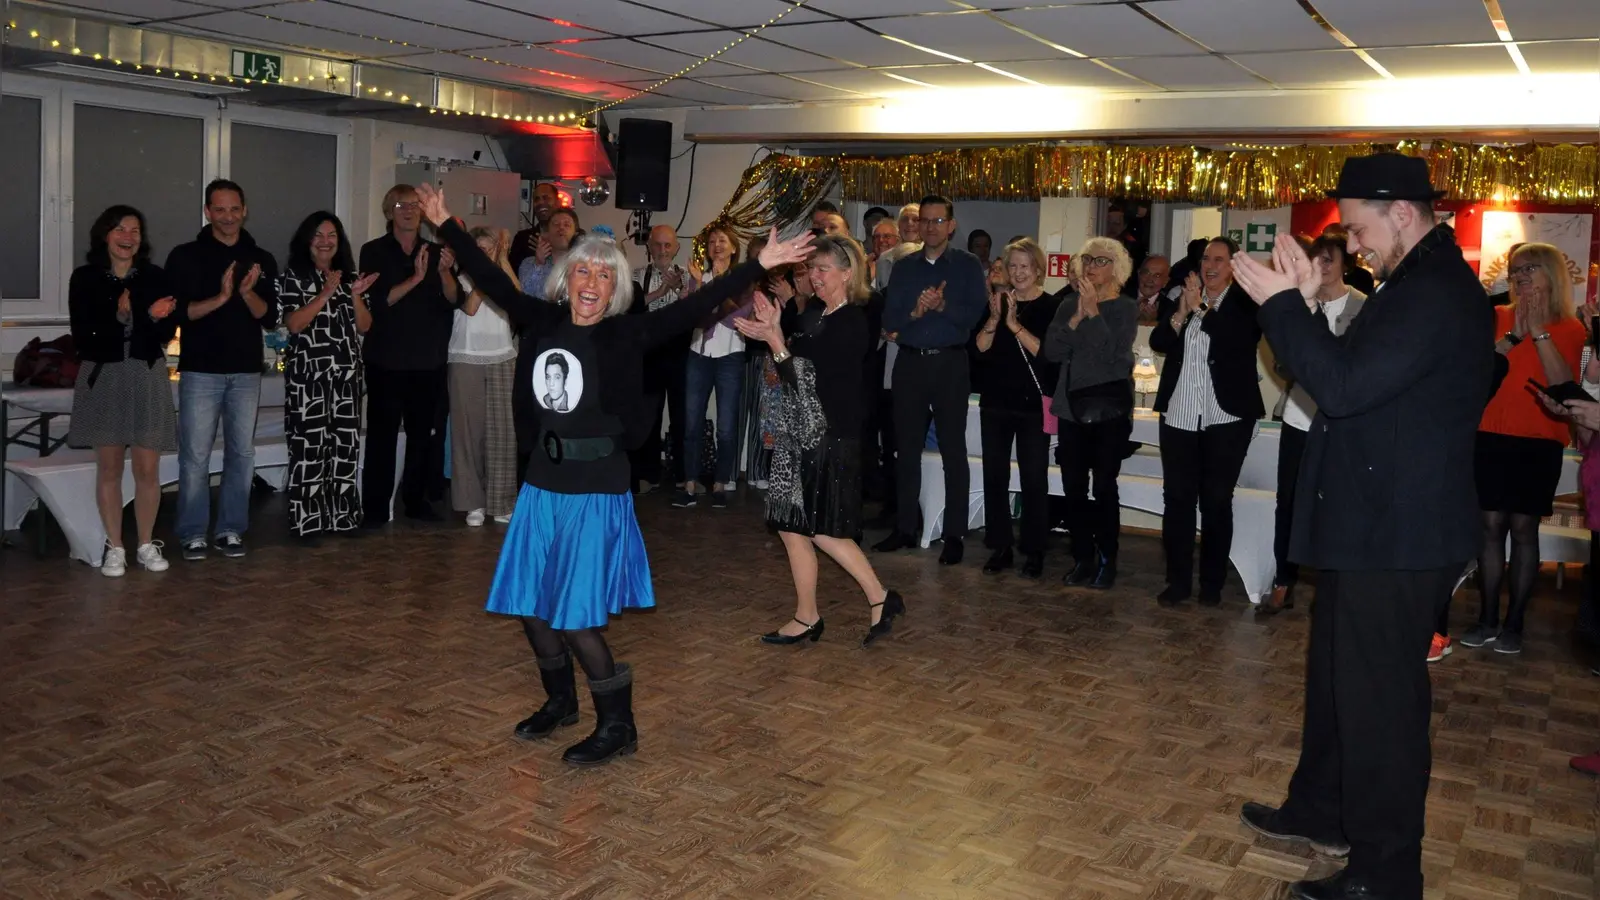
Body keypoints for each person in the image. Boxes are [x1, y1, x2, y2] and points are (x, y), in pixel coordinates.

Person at [416, 183, 814, 766]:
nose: (592, 284)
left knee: (576, 619)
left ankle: (618, 723)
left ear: (615, 288)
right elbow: (492, 279)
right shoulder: (541, 319)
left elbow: (694, 309)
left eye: (604, 277)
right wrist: (447, 222)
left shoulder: (628, 332)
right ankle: (561, 702)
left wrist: (759, 264)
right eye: (584, 274)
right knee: (529, 606)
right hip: (542, 487)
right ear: (567, 280)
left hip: (595, 491)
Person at [1232, 153, 1493, 900]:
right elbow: (1353, 369)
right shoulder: (1413, 284)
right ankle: (1323, 809)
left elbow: (1341, 391)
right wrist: (1309, 305)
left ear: (1402, 213)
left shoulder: (1437, 293)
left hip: (1399, 535)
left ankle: (1385, 874)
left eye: (1358, 227)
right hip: (1373, 525)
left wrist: (1282, 305)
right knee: (1339, 684)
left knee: (1381, 707)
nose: (1354, 244)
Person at [738, 236, 907, 647]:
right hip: (797, 432)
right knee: (791, 528)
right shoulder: (814, 313)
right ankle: (807, 616)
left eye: (823, 269)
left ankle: (881, 597)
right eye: (811, 269)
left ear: (848, 273)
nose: (813, 276)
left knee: (821, 529)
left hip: (829, 433)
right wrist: (774, 330)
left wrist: (776, 341)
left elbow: (806, 379)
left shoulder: (852, 320)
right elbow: (789, 367)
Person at [1456, 242, 1584, 656]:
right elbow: (1478, 371)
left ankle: (1515, 623)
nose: (1521, 277)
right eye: (1515, 271)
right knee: (1489, 526)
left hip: (1539, 439)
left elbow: (1562, 383)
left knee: (1524, 529)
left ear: (1552, 274)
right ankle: (1487, 617)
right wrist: (1514, 335)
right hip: (1488, 435)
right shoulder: (1496, 317)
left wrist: (1539, 332)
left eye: (1530, 269)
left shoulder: (1572, 327)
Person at [164, 179, 278, 561]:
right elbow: (182, 314)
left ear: (244, 210)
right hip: (200, 371)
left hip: (246, 371)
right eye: (220, 209)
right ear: (207, 212)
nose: (228, 217)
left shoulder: (261, 258)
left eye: (234, 209)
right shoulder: (186, 256)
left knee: (241, 454)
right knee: (194, 456)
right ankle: (193, 532)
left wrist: (246, 293)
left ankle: (231, 529)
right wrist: (223, 297)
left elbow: (270, 317)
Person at [67, 205, 180, 576]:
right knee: (110, 467)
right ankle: (115, 546)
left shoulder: (155, 277)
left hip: (146, 375)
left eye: (134, 230)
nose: (127, 237)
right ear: (105, 234)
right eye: (120, 229)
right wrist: (119, 316)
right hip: (104, 377)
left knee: (148, 468)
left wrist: (149, 317)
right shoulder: (85, 278)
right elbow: (85, 338)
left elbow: (164, 336)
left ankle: (146, 543)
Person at [1149, 237, 1262, 606]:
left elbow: (1237, 342)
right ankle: (1177, 581)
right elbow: (1160, 340)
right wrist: (1183, 309)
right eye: (1205, 259)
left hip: (1226, 416)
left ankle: (1211, 584)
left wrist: (1202, 310)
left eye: (1218, 259)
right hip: (1180, 414)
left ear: (1233, 266)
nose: (1209, 265)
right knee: (1177, 500)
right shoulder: (1187, 297)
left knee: (1215, 500)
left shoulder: (1247, 302)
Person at [876, 195, 988, 564]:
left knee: (952, 450)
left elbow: (973, 318)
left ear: (951, 226)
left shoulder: (968, 266)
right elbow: (891, 321)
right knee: (904, 450)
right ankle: (906, 527)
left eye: (938, 221)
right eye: (925, 221)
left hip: (950, 364)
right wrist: (917, 310)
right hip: (909, 363)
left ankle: (954, 533)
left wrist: (942, 307)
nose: (931, 227)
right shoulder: (904, 267)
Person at [1262, 234, 1367, 615]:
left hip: (1341, 425)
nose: (1320, 268)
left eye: (1328, 260)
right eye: (1314, 261)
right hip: (1298, 416)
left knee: (1336, 506)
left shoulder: (1363, 307)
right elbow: (1280, 363)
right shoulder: (1295, 305)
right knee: (1287, 502)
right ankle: (1283, 581)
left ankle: (1333, 589)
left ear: (1344, 265)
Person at [359, 184, 460, 526]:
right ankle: (374, 507)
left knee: (423, 438)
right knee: (381, 437)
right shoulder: (373, 251)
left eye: (416, 205)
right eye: (401, 204)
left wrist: (444, 272)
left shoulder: (436, 252)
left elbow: (453, 299)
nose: (409, 210)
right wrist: (417, 277)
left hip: (427, 362)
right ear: (389, 211)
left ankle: (415, 502)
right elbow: (381, 301)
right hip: (385, 361)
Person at [277, 212, 376, 542]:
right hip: (308, 378)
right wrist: (323, 293)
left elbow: (364, 326)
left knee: (345, 449)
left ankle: (345, 519)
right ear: (307, 240)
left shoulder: (350, 279)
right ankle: (308, 523)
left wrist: (355, 293)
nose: (325, 241)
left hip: (346, 377)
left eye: (331, 235)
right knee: (309, 451)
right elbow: (293, 324)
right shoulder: (292, 278)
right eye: (318, 235)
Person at [1046, 237, 1138, 589]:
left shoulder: (1125, 308)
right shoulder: (1067, 303)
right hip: (1071, 409)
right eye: (1087, 259)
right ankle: (1082, 557)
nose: (1091, 266)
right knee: (1072, 488)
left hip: (1108, 411)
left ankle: (1107, 559)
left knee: (1103, 487)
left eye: (1100, 260)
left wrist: (1094, 314)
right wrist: (1076, 318)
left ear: (1117, 268)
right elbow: (1053, 352)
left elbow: (1112, 356)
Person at [974, 238, 1062, 579]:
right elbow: (979, 350)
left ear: (1038, 270)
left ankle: (1034, 549)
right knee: (994, 476)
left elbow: (1048, 353)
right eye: (1013, 266)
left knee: (1033, 478)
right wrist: (996, 320)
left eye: (1025, 266)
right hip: (995, 401)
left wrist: (1014, 326)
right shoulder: (998, 301)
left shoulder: (1051, 306)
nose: (1018, 272)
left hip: (1032, 406)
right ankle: (1000, 545)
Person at [449, 227, 520, 526]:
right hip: (465, 357)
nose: (484, 251)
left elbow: (519, 299)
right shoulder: (460, 277)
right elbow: (471, 307)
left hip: (503, 356)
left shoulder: (502, 277)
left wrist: (500, 262)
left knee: (504, 434)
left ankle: (502, 502)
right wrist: (485, 272)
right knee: (468, 433)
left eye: (489, 247)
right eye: (477, 247)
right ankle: (472, 503)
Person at [675, 224, 746, 509]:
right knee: (691, 423)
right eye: (712, 241)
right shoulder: (696, 277)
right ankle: (690, 484)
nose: (716, 245)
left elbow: (733, 319)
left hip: (731, 355)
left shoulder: (743, 280)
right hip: (698, 354)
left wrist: (711, 289)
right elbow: (695, 318)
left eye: (722, 240)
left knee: (726, 427)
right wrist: (699, 288)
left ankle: (720, 484)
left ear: (733, 248)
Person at [630, 225, 692, 493]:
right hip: (649, 352)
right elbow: (632, 309)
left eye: (668, 245)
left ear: (676, 247)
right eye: (657, 245)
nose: (663, 250)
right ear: (649, 247)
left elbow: (695, 313)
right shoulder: (636, 276)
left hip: (679, 352)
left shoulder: (690, 276)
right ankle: (648, 474)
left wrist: (679, 292)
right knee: (647, 416)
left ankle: (682, 475)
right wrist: (659, 291)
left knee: (682, 415)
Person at [519, 207, 580, 299]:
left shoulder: (582, 267)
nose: (561, 228)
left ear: (576, 234)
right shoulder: (528, 264)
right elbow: (524, 298)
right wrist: (538, 264)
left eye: (567, 225)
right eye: (556, 224)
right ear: (546, 233)